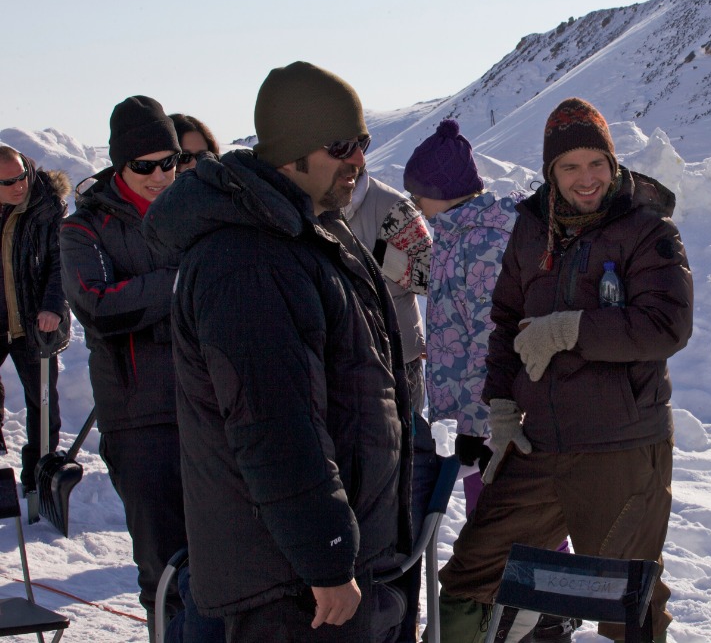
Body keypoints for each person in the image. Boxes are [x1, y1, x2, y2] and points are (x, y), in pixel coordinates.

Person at [142, 61, 413, 642]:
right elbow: (275, 428)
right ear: (291, 154)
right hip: (291, 589)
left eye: (361, 142)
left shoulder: (311, 231)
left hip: (333, 571)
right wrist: (327, 556)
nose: (358, 160)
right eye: (340, 146)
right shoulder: (246, 263)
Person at [434, 97, 693, 643]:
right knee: (472, 573)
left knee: (627, 599)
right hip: (541, 440)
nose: (586, 178)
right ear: (551, 171)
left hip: (620, 444)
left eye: (596, 163)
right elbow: (505, 320)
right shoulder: (531, 227)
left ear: (614, 163)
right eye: (570, 166)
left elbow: (666, 325)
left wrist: (571, 328)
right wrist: (502, 409)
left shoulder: (647, 230)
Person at [59, 96, 187, 641]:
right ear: (119, 165)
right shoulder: (84, 227)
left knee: (225, 558)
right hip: (139, 417)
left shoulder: (196, 208)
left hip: (209, 406)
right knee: (163, 566)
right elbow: (98, 305)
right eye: (144, 165)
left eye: (170, 161)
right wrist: (181, 283)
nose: (160, 175)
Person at [316, 121, 432, 643]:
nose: (353, 161)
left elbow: (432, 273)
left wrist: (383, 261)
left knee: (391, 479)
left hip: (396, 358)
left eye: (358, 149)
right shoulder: (310, 204)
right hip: (335, 363)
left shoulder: (390, 207)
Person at [402, 118, 522, 515]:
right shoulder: (455, 234)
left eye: (419, 193)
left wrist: (476, 426)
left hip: (496, 419)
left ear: (443, 189)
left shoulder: (482, 240)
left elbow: (489, 338)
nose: (415, 202)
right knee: (488, 523)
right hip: (485, 416)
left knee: (507, 526)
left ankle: (541, 577)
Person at [0, 145, 70, 493]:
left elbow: (62, 262)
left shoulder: (47, 205)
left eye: (22, 176)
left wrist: (53, 307)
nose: (19, 185)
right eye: (8, 182)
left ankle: (37, 479)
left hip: (35, 322)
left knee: (43, 405)